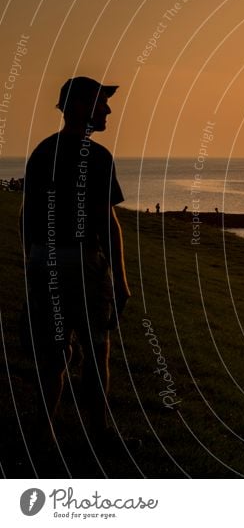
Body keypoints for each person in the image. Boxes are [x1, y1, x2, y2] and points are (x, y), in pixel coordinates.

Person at [20, 76, 130, 449]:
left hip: (43, 259)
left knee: (53, 352)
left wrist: (33, 266)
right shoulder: (97, 157)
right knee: (97, 349)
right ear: (81, 106)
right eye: (101, 102)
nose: (108, 110)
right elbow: (107, 222)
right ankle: (99, 432)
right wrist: (120, 280)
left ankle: (43, 431)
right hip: (82, 263)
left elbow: (27, 216)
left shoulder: (41, 152)